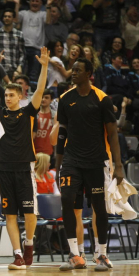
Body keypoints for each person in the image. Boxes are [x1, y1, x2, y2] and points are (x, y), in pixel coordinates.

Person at [0, 46, 49, 269]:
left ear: (20, 96)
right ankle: (17, 255)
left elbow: (41, 90)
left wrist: (44, 67)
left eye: (11, 95)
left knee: (30, 213)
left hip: (25, 169)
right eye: (5, 94)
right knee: (11, 215)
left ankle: (29, 244)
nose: (7, 97)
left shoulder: (28, 112)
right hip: (3, 169)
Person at [55, 58, 123, 271]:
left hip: (96, 161)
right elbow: (62, 133)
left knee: (99, 208)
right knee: (66, 199)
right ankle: (75, 255)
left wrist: (118, 165)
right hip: (71, 160)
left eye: (78, 70)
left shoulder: (102, 99)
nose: (73, 73)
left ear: (89, 73)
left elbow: (113, 133)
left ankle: (101, 254)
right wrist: (58, 164)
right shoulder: (65, 98)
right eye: (72, 70)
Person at [0, 8, 25, 80]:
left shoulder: (19, 34)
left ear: (13, 19)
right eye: (5, 16)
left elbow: (22, 53)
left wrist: (20, 66)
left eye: (9, 16)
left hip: (14, 69)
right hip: (0, 68)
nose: (7, 18)